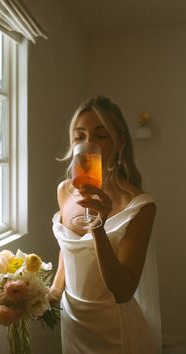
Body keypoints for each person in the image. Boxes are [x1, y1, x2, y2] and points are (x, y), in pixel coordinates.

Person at [50, 96, 162, 354]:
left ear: (120, 143)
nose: (88, 145)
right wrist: (53, 293)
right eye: (80, 137)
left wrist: (98, 228)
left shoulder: (140, 206)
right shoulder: (64, 191)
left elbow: (122, 291)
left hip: (114, 332)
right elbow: (70, 250)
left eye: (101, 136)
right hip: (72, 322)